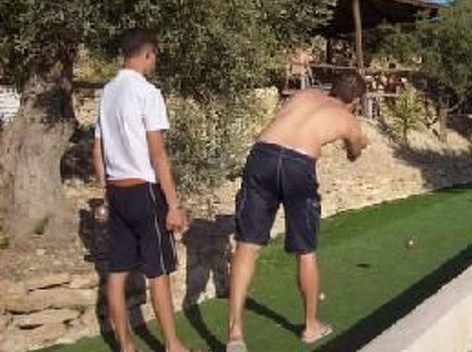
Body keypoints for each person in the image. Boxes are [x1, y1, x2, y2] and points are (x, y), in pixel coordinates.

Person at [227, 71, 369, 352]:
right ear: (355, 100)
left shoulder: (306, 94)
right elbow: (354, 153)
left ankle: (235, 333)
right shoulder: (347, 119)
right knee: (306, 251)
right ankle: (311, 326)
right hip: (298, 165)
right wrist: (359, 143)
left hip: (262, 155)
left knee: (247, 245)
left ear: (332, 88)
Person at [92, 28, 206, 352]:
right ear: (146, 54)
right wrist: (173, 205)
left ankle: (126, 347)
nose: (155, 61)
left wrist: (106, 194)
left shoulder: (107, 92)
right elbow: (158, 154)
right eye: (154, 55)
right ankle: (173, 346)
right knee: (158, 272)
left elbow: (97, 151)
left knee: (117, 273)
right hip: (144, 191)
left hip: (117, 191)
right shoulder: (148, 93)